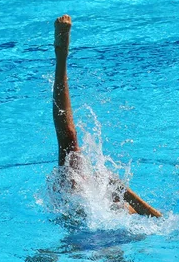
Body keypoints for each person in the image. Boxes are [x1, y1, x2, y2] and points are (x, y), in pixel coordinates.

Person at [52, 14, 161, 218]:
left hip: (89, 235)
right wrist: (123, 192)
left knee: (68, 143)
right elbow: (160, 221)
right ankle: (61, 56)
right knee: (69, 143)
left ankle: (61, 56)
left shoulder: (122, 216)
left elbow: (161, 224)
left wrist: (124, 193)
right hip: (94, 226)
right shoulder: (117, 213)